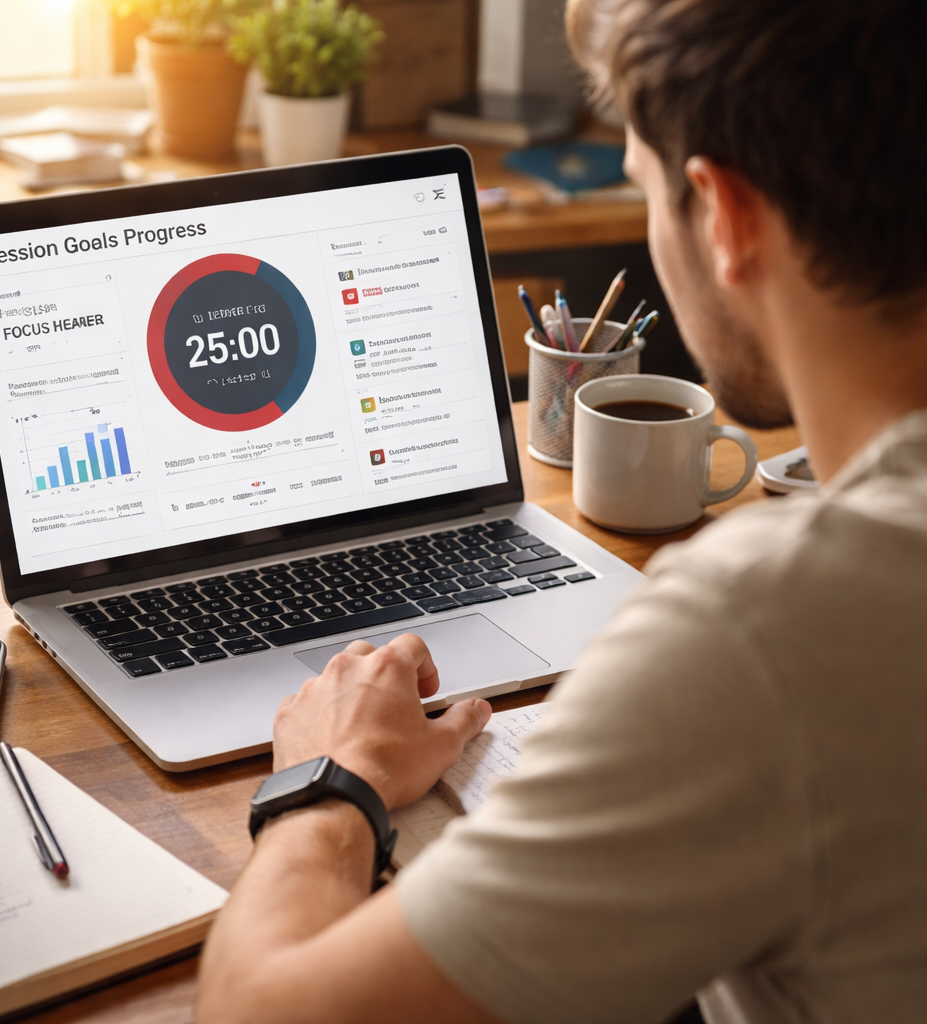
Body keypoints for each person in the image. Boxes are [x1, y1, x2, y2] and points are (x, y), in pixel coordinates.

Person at [196, 1, 927, 1021]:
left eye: (640, 187)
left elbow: (259, 1012)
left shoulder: (771, 627)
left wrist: (331, 780)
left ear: (724, 216)